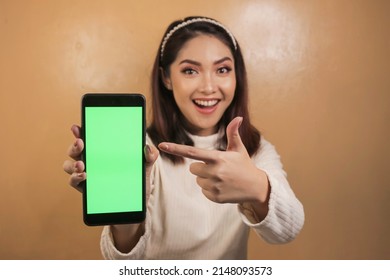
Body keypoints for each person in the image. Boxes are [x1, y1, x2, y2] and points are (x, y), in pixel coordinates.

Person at [63, 16, 305, 259]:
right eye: (190, 70)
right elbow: (121, 264)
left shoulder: (255, 149)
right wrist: (124, 212)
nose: (208, 87)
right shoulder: (142, 150)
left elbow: (287, 232)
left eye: (222, 69)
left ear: (236, 76)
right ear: (167, 78)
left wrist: (256, 185)